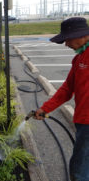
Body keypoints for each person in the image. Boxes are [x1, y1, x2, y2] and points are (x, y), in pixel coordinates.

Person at [34, 17, 89, 181]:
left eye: (67, 40)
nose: (66, 44)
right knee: (80, 163)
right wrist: (45, 108)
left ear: (80, 35)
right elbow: (67, 89)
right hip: (82, 121)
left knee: (80, 169)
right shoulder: (79, 58)